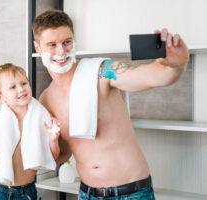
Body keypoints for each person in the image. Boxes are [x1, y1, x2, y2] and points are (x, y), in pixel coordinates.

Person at [32, 10, 189, 200]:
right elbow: (61, 154)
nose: (61, 51)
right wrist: (49, 142)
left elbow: (154, 76)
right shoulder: (46, 99)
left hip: (131, 193)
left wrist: (175, 65)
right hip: (87, 193)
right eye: (52, 45)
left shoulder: (101, 71)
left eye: (67, 42)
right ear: (38, 48)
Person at [0, 63, 60, 200]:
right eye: (13, 87)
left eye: (24, 83)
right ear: (1, 97)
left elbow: (53, 156)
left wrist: (53, 140)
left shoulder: (42, 117)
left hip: (27, 191)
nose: (21, 89)